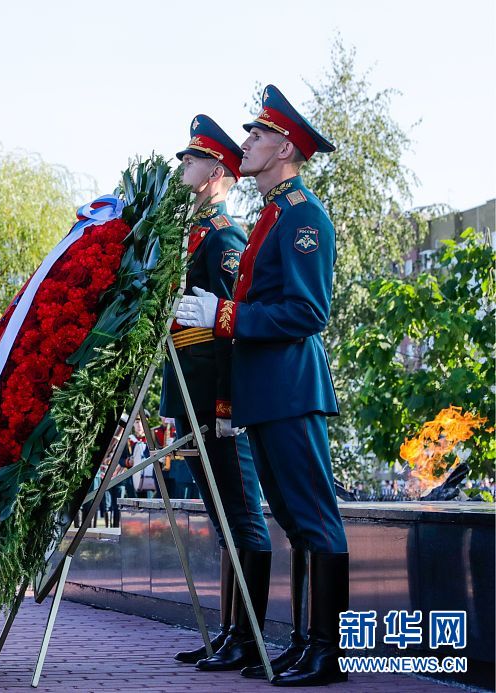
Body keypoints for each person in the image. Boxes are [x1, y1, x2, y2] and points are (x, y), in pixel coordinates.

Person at [177, 85, 347, 687]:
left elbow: (307, 312)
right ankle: (306, 646)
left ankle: (327, 653)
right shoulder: (276, 213)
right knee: (296, 522)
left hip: (291, 388)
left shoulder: (303, 216)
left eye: (254, 135)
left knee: (314, 520)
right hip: (266, 391)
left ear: (283, 146)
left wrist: (222, 317)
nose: (243, 143)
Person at [163, 115, 274, 671]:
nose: (184, 166)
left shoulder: (226, 237)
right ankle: (233, 632)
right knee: (222, 517)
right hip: (194, 395)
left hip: (217, 400)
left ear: (216, 172)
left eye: (192, 159)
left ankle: (249, 636)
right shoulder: (197, 234)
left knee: (241, 514)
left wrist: (227, 406)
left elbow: (228, 332)